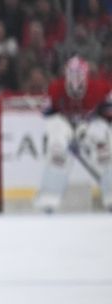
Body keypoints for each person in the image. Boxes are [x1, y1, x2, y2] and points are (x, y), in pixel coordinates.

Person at [35, 56, 112, 212]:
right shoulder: (55, 89)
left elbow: (107, 114)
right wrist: (65, 131)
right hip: (65, 125)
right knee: (57, 150)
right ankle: (49, 199)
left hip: (89, 125)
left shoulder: (101, 88)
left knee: (104, 148)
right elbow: (48, 115)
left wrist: (91, 127)